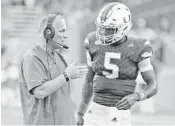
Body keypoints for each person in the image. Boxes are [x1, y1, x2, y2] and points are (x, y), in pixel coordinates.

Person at [77, 2, 158, 126]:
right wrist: (81, 113)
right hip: (95, 111)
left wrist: (136, 96)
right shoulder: (93, 41)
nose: (104, 33)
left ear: (124, 27)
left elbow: (152, 84)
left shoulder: (138, 47)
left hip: (120, 113)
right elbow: (88, 81)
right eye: (102, 28)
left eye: (110, 29)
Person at [19, 14, 88, 125]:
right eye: (62, 31)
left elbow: (66, 97)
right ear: (48, 33)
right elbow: (40, 91)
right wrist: (66, 75)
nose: (65, 36)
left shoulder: (60, 58)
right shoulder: (32, 58)